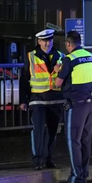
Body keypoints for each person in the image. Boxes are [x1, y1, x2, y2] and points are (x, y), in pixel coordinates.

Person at [55, 31, 92, 183]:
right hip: (88, 104)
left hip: (75, 105)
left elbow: (58, 83)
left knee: (73, 140)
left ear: (68, 44)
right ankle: (84, 175)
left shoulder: (69, 59)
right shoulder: (91, 56)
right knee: (86, 141)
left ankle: (76, 177)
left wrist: (59, 70)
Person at [19, 28, 65, 170]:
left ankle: (48, 158)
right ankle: (38, 159)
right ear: (39, 41)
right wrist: (23, 100)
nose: (47, 44)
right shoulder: (30, 56)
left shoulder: (61, 56)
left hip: (55, 99)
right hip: (37, 99)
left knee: (52, 132)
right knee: (38, 130)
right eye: (44, 41)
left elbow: (66, 78)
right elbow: (24, 80)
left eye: (49, 40)